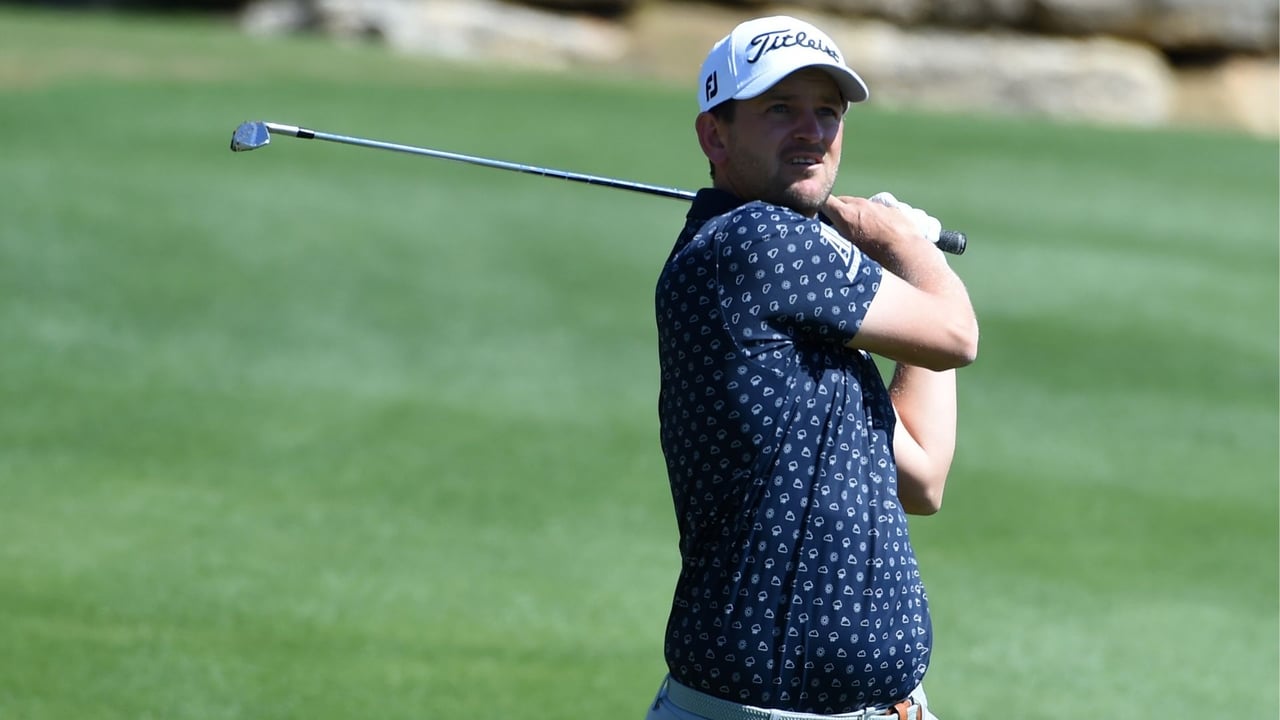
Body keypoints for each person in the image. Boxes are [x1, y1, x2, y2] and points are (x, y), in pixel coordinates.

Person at [646, 14, 979, 720]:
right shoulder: (754, 240)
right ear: (715, 134)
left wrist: (910, 260)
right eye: (779, 109)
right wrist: (906, 245)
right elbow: (956, 333)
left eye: (827, 112)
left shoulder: (802, 314)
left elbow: (923, 476)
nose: (812, 132)